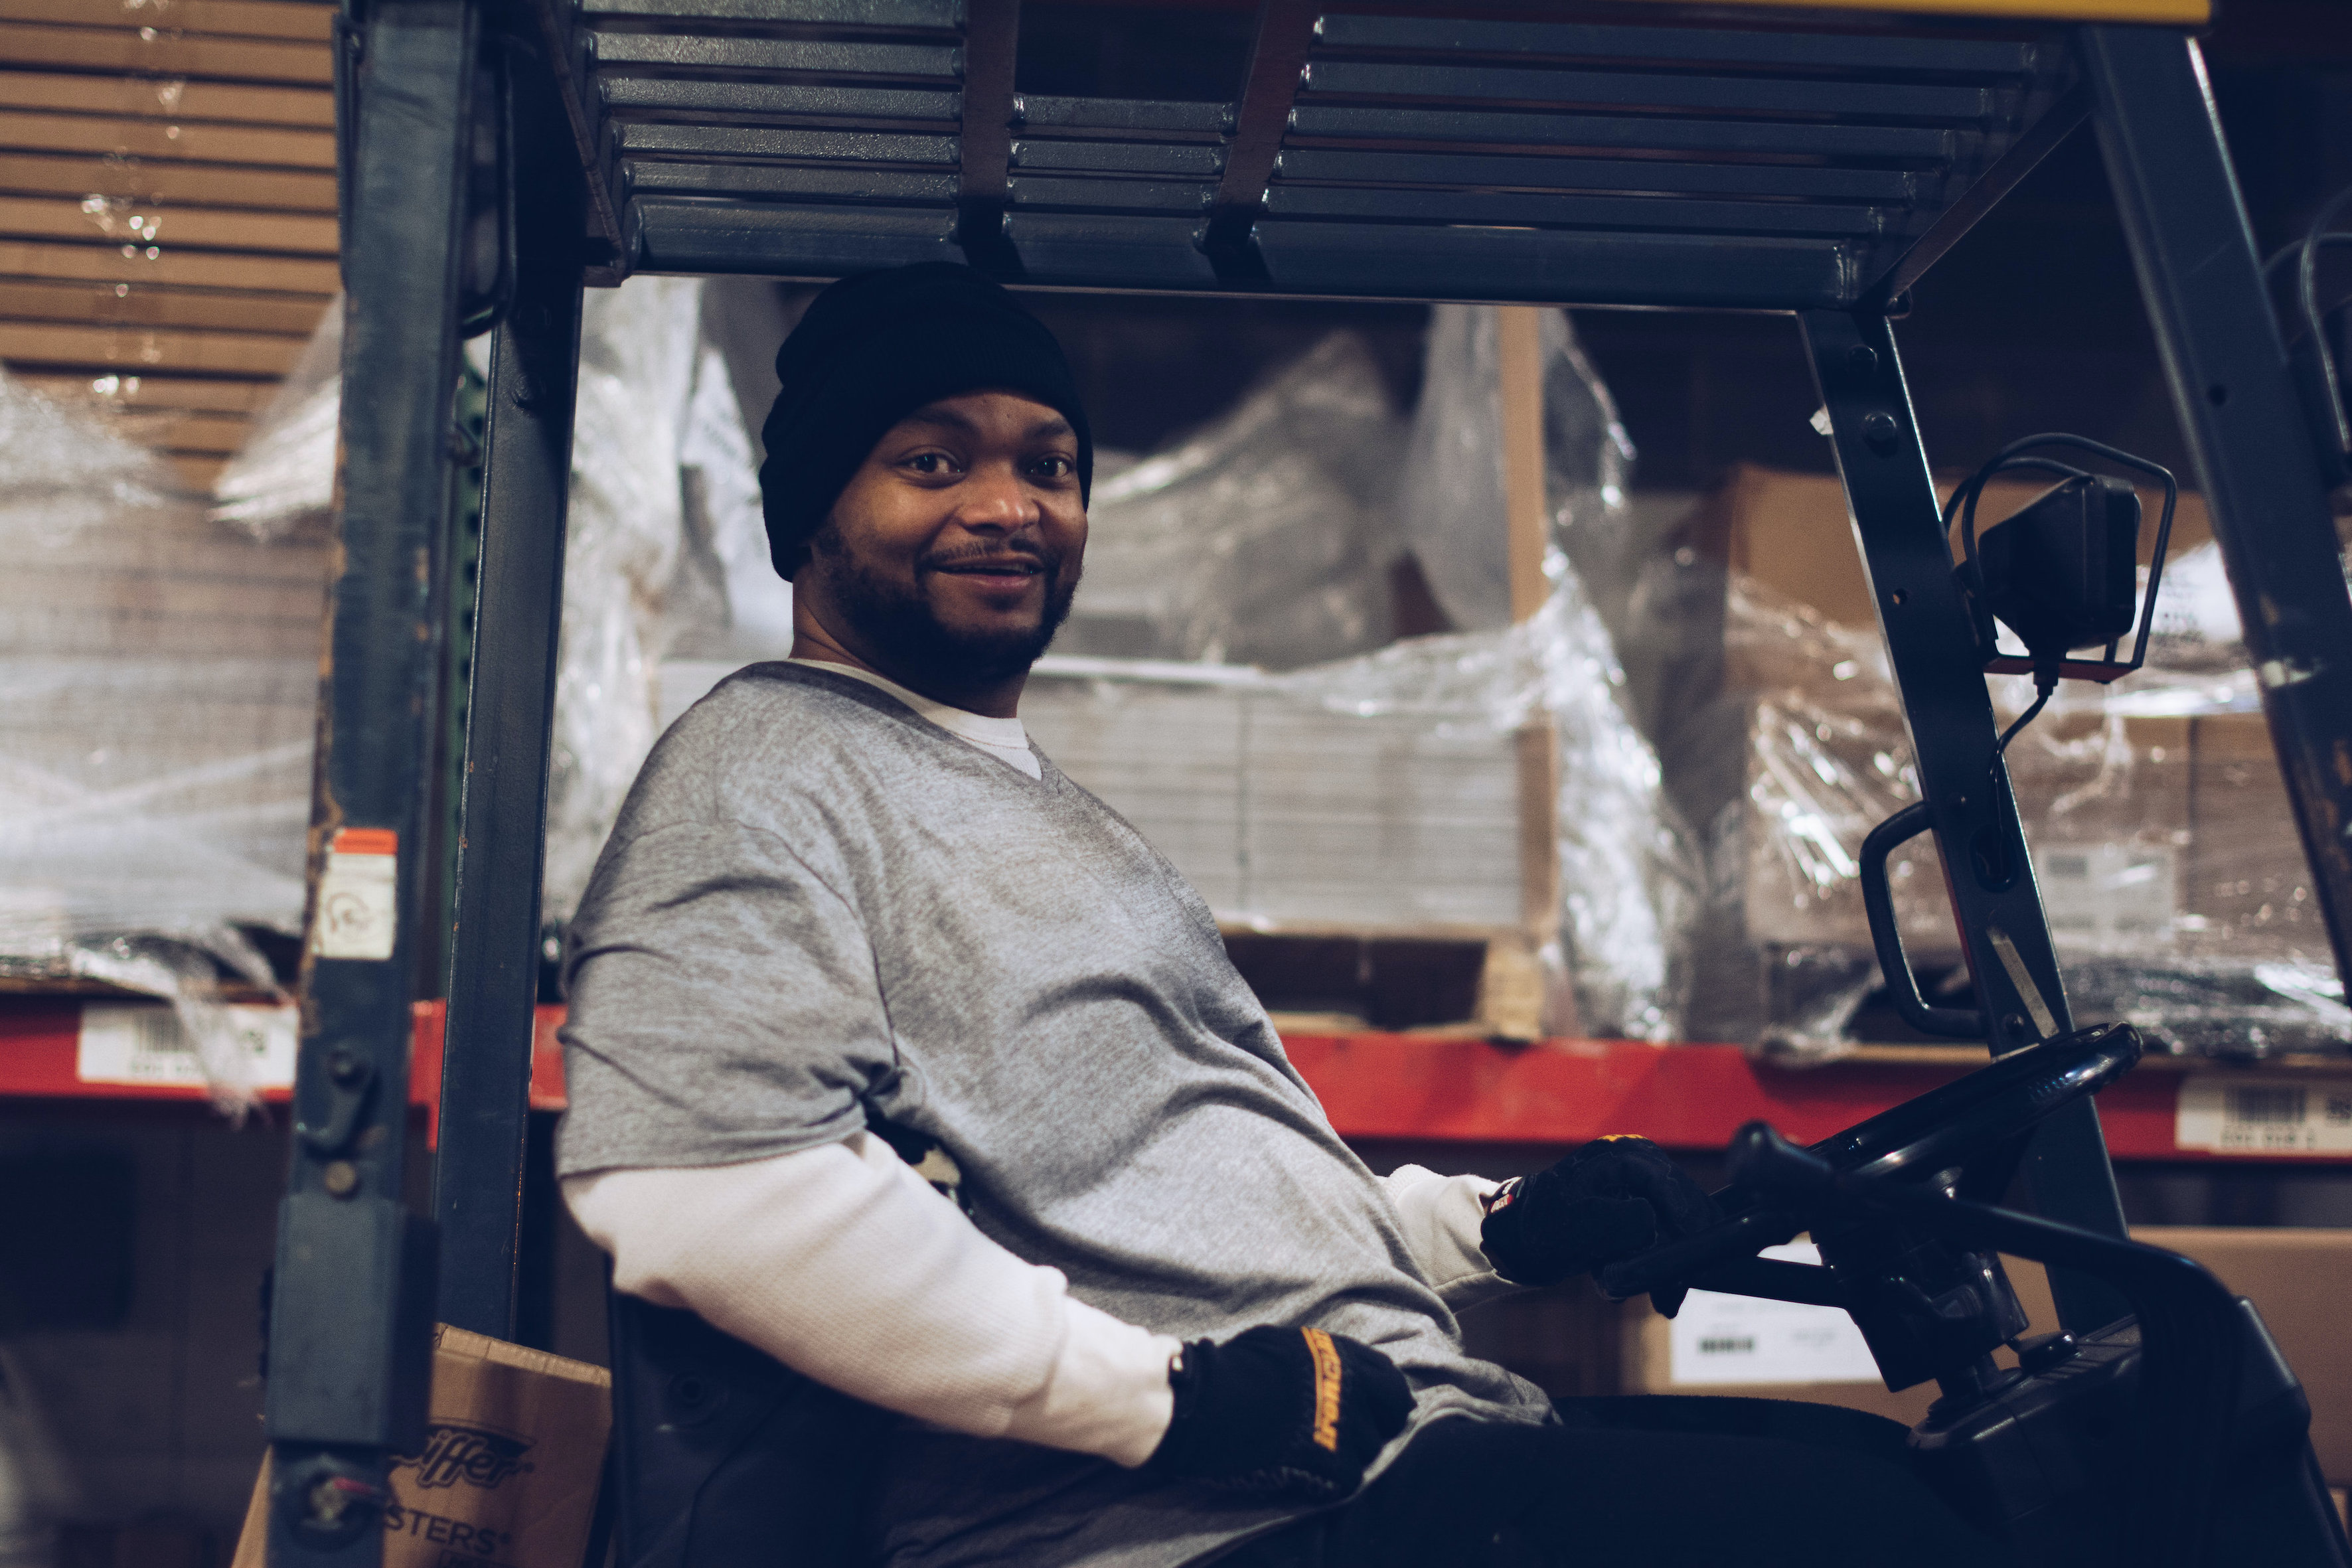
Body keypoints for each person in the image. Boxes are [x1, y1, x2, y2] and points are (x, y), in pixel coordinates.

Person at [555, 264, 2011, 1568]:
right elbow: (704, 1190)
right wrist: (1167, 1403)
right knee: (1884, 1536)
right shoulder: (765, 768)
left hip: (1372, 1459)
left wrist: (1487, 1229)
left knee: (1926, 1486)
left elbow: (1176, 1202)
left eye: (1046, 465)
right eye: (930, 462)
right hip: (1181, 1521)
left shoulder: (1017, 796)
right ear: (811, 510)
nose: (1007, 504)